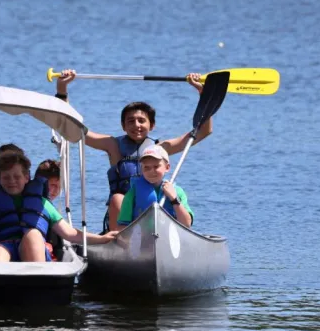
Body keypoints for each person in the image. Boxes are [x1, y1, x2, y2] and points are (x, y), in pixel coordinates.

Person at [55, 69, 206, 231]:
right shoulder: (112, 145)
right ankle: (115, 243)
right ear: (123, 126)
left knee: (166, 197)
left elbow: (202, 131)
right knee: (118, 198)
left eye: (142, 120)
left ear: (152, 125)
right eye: (131, 121)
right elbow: (72, 129)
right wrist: (62, 89)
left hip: (151, 209)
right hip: (121, 216)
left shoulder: (161, 148)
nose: (136, 125)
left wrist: (202, 92)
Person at [0, 152, 117, 262]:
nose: (11, 181)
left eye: (17, 176)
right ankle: (0, 289)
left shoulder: (42, 203)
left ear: (26, 177)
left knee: (33, 234)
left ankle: (38, 284)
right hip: (2, 246)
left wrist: (102, 238)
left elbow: (71, 234)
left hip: (34, 249)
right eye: (6, 177)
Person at [117, 145, 193, 229]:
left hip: (170, 237)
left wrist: (174, 199)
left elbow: (186, 224)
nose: (151, 171)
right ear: (141, 169)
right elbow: (122, 226)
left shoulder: (177, 191)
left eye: (156, 166)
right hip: (141, 237)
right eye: (146, 167)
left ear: (167, 167)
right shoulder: (133, 193)